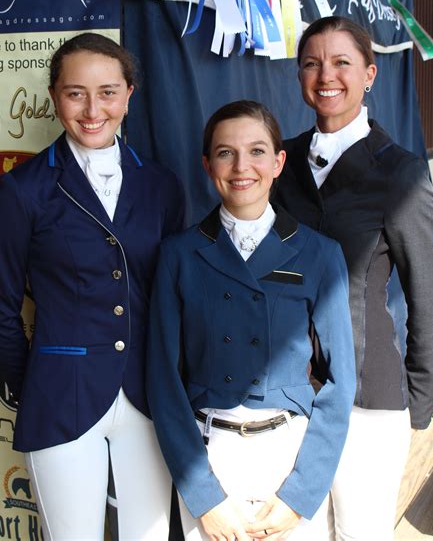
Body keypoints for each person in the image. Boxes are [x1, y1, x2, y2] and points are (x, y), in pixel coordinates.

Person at [0, 33, 184, 540]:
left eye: (108, 92)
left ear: (129, 95)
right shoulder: (23, 189)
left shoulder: (161, 185)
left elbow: (172, 293)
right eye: (76, 93)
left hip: (148, 393)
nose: (93, 109)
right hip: (59, 394)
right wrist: (33, 380)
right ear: (54, 97)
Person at [274, 16, 433, 541]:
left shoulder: (399, 172)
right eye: (311, 63)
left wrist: (417, 403)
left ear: (370, 74)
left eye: (341, 62)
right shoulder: (280, 163)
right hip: (290, 394)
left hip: (370, 398)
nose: (325, 75)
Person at [146, 100, 356, 541]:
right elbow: (163, 382)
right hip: (209, 455)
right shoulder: (178, 255)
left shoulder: (320, 253)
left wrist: (301, 493)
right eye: (226, 152)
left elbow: (341, 385)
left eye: (258, 151)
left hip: (288, 453)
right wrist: (204, 496)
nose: (242, 166)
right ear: (207, 165)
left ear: (279, 162)